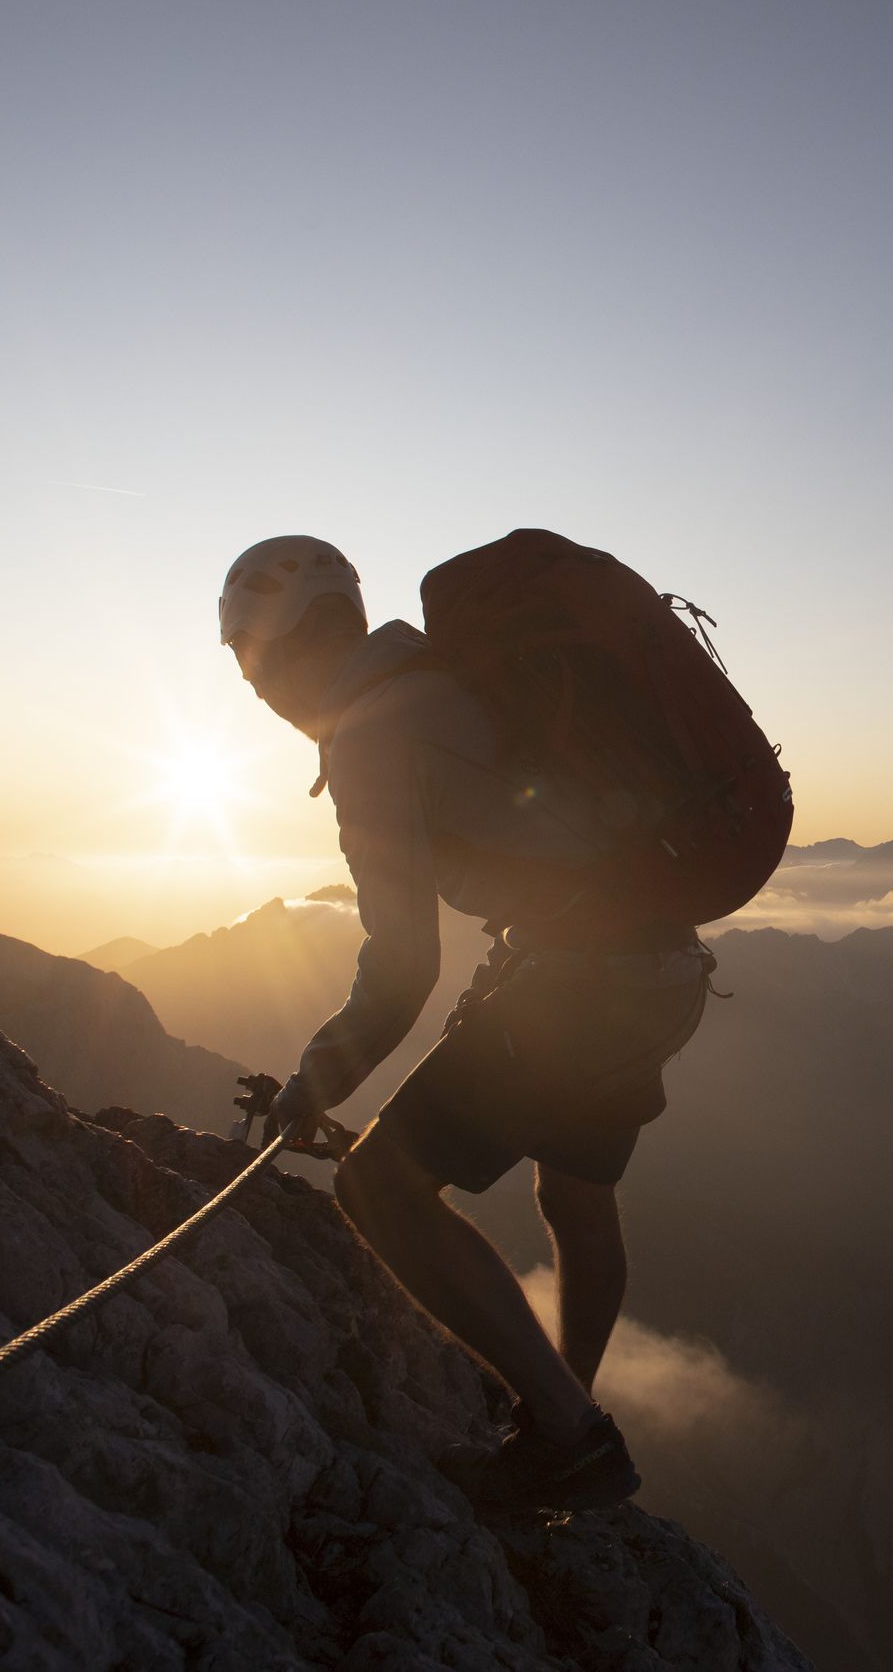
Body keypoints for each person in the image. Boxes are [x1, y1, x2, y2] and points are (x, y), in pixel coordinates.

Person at [217, 534, 714, 1512]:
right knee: (577, 1203)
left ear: (270, 650)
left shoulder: (364, 731)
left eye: (247, 664)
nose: (257, 692)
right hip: (664, 972)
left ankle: (567, 1438)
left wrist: (314, 1085)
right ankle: (561, 1419)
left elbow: (402, 965)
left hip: (578, 987)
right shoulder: (438, 669)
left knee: (379, 1189)